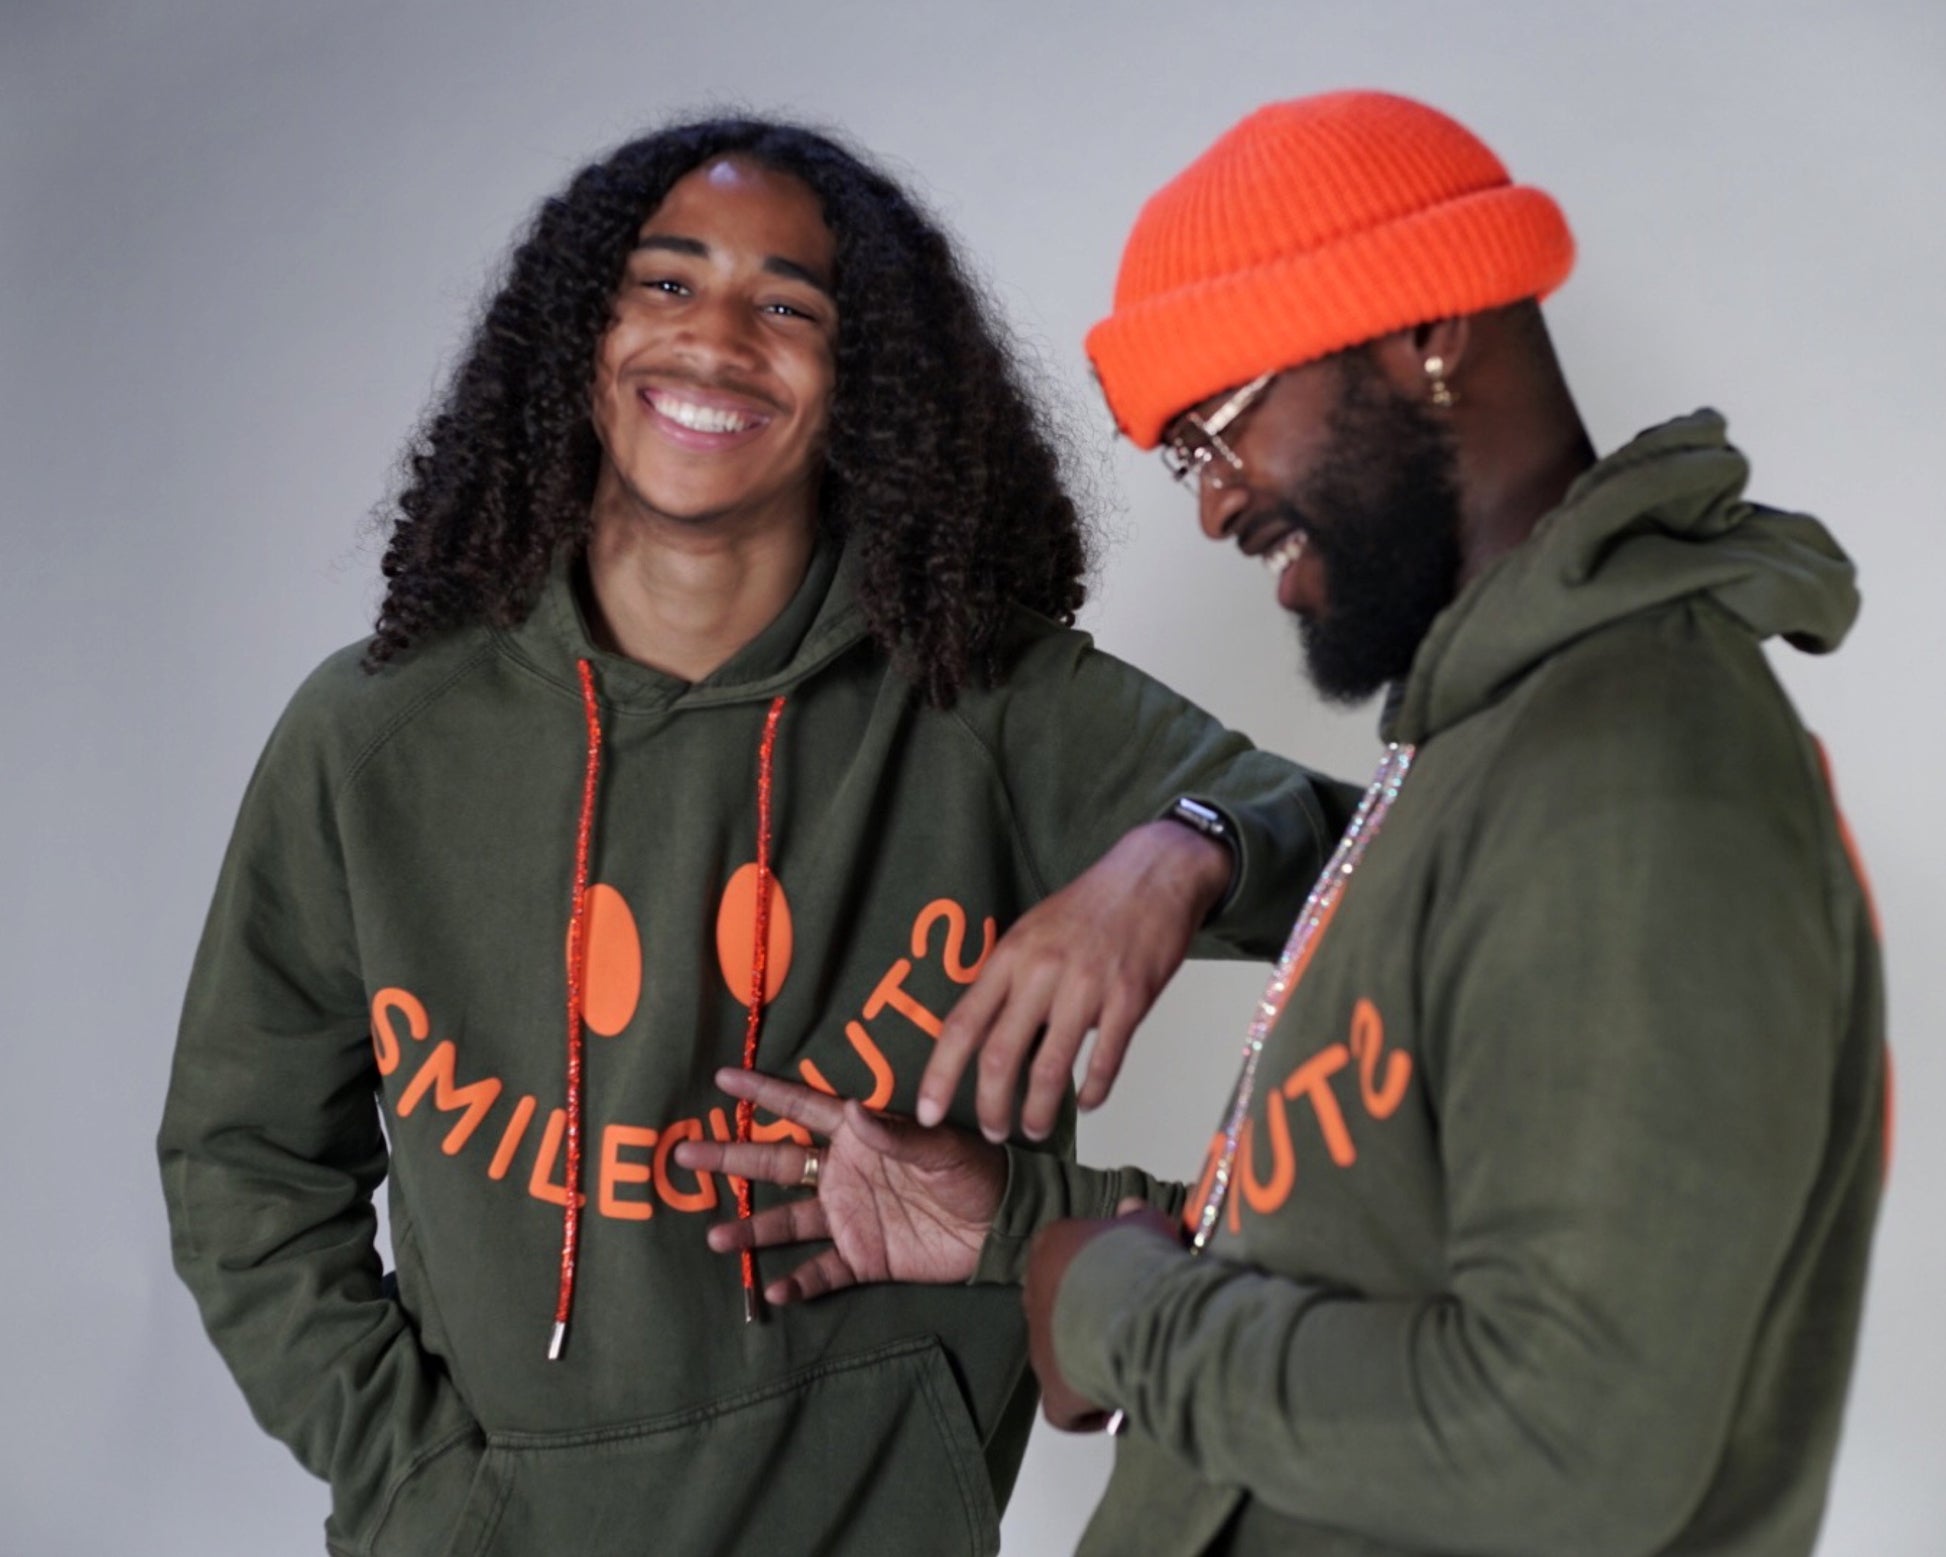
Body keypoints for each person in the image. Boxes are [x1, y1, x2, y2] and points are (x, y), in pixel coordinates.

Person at [702, 91, 1886, 1556]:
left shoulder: (1637, 771)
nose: (1213, 507)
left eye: (1220, 421)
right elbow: (1364, 1238)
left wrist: (1124, 1321)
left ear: (1426, 329)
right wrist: (1019, 1226)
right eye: (1181, 458)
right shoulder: (1485, 747)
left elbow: (1564, 1441)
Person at [156, 117, 1355, 1556]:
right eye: (665, 284)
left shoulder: (986, 699)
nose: (716, 339)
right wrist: (418, 1485)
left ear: (866, 388)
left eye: (789, 307)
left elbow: (1408, 866)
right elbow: (243, 1166)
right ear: (581, 335)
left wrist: (1186, 847)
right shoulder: (373, 737)